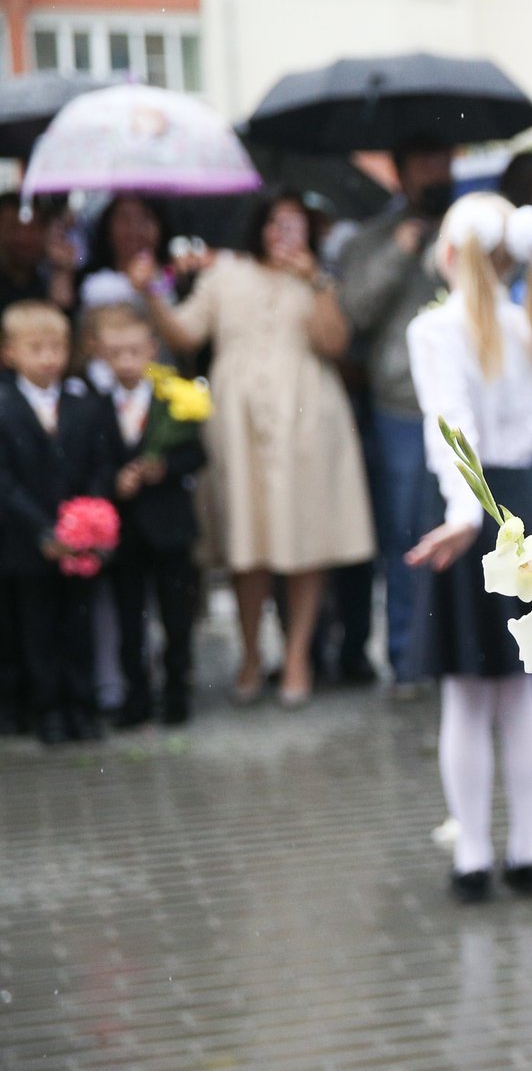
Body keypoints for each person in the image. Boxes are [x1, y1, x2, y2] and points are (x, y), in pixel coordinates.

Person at [136, 190, 375, 707]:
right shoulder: (226, 274)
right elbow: (184, 334)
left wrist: (316, 281)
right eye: (275, 223)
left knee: (306, 538)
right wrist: (152, 295)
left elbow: (334, 344)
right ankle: (250, 652)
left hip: (307, 417)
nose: (283, 234)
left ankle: (296, 657)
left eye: (294, 224)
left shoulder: (319, 281)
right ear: (258, 227)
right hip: (238, 420)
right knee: (247, 541)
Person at [402, 193, 532, 902]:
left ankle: (473, 854)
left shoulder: (437, 328)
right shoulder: (531, 320)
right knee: (520, 690)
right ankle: (530, 852)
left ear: (447, 253)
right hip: (526, 502)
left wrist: (464, 512)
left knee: (468, 695)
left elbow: (452, 427)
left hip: (471, 504)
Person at [335, 136, 454, 693]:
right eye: (426, 162)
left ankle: (458, 655)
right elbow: (355, 311)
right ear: (401, 175)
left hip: (459, 407)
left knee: (464, 532)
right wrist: (402, 249)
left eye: (444, 162)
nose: (438, 172)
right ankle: (408, 660)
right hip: (400, 409)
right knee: (407, 535)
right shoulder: (371, 239)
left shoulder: (466, 230)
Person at [0, 300, 114, 743]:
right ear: (9, 353)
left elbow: (99, 466)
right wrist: (43, 530)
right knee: (37, 628)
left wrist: (85, 521)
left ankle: (81, 707)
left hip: (79, 544)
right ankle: (47, 709)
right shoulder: (5, 408)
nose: (49, 357)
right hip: (28, 543)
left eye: (57, 347)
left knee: (78, 625)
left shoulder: (82, 405)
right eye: (36, 348)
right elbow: (4, 481)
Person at [91, 304, 204, 727]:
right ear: (102, 354)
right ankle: (135, 697)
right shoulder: (97, 405)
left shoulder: (174, 398)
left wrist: (165, 467)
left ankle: (178, 696)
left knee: (176, 617)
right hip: (126, 533)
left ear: (152, 350)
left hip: (170, 528)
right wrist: (112, 482)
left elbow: (197, 453)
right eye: (116, 353)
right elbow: (90, 461)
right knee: (129, 620)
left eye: (134, 351)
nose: (126, 361)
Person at [0, 193, 76, 316]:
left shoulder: (48, 277)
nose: (23, 237)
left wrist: (62, 273)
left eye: (32, 228)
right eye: (12, 227)